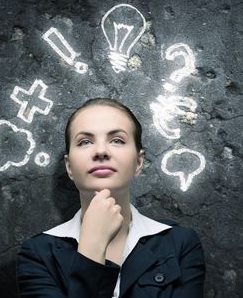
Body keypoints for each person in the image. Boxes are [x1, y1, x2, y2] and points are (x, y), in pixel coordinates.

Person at [17, 98, 206, 297]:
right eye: (85, 142)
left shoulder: (180, 244)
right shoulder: (37, 254)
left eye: (117, 140)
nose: (101, 151)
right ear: (69, 167)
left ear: (139, 163)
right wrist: (92, 247)